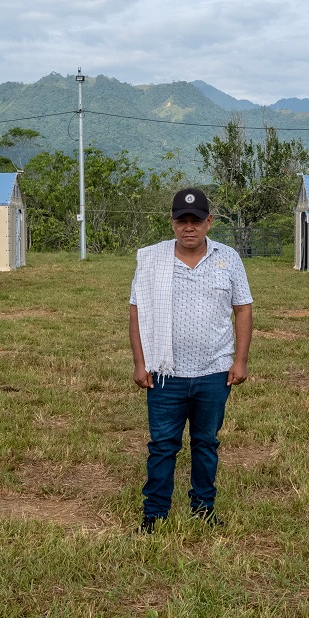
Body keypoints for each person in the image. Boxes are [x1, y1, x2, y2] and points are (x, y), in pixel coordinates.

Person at [128, 187, 253, 534]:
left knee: (206, 443)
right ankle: (154, 514)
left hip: (214, 371)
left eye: (195, 220)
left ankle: (204, 508)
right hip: (165, 373)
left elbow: (243, 309)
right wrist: (140, 363)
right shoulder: (153, 260)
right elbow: (136, 311)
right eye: (181, 220)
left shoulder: (228, 259)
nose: (189, 227)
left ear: (208, 222)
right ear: (172, 224)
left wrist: (239, 361)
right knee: (163, 445)